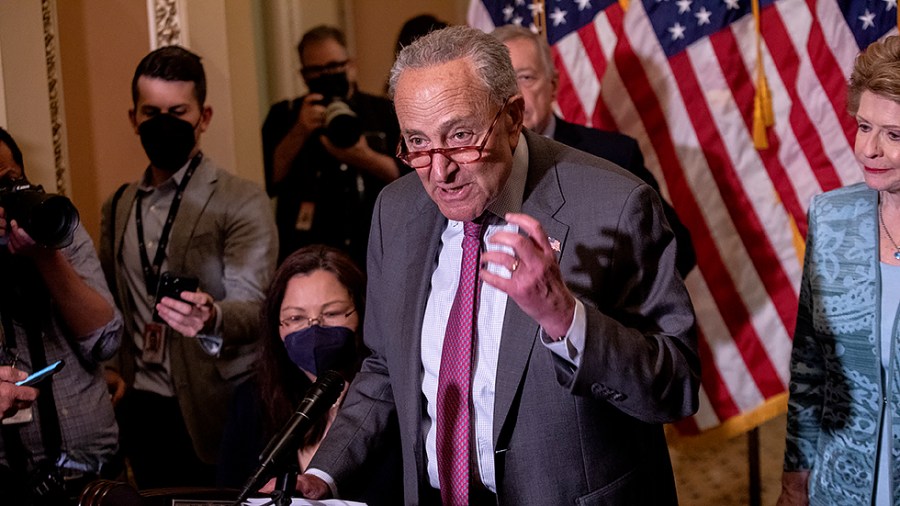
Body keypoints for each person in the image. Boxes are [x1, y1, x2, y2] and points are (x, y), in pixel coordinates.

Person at [296, 26, 699, 505]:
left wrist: (565, 319)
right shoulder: (395, 210)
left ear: (512, 117)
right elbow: (384, 368)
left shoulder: (616, 205)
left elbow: (675, 388)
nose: (439, 171)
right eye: (417, 143)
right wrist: (325, 471)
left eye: (461, 136)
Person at [99, 46, 278, 489]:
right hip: (139, 403)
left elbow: (257, 306)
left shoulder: (241, 199)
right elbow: (111, 301)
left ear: (204, 116)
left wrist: (211, 315)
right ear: (133, 118)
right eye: (152, 111)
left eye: (177, 111)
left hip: (215, 402)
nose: (164, 122)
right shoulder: (118, 205)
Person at [778, 34, 900, 506]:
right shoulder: (830, 217)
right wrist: (795, 478)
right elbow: (809, 367)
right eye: (863, 125)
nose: (868, 149)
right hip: (840, 486)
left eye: (893, 135)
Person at [491, 25, 696, 278]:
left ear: (553, 85)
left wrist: (604, 313)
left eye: (526, 77)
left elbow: (677, 252)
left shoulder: (612, 156)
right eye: (503, 82)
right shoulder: (475, 163)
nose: (515, 95)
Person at [217, 245, 402, 504]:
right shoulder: (250, 401)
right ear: (277, 327)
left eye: (332, 313)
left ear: (362, 313)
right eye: (296, 317)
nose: (314, 329)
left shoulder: (390, 404)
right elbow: (229, 493)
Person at [0, 126, 124, 504]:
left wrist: (46, 256)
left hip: (96, 478)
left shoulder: (55, 228)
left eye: (10, 181)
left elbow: (106, 339)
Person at [263, 25, 404, 266]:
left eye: (334, 66)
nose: (327, 75)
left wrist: (362, 156)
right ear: (304, 75)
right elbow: (271, 179)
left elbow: (410, 179)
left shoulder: (385, 112)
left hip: (377, 248)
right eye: (316, 70)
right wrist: (300, 130)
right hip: (307, 253)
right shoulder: (284, 115)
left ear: (351, 64)